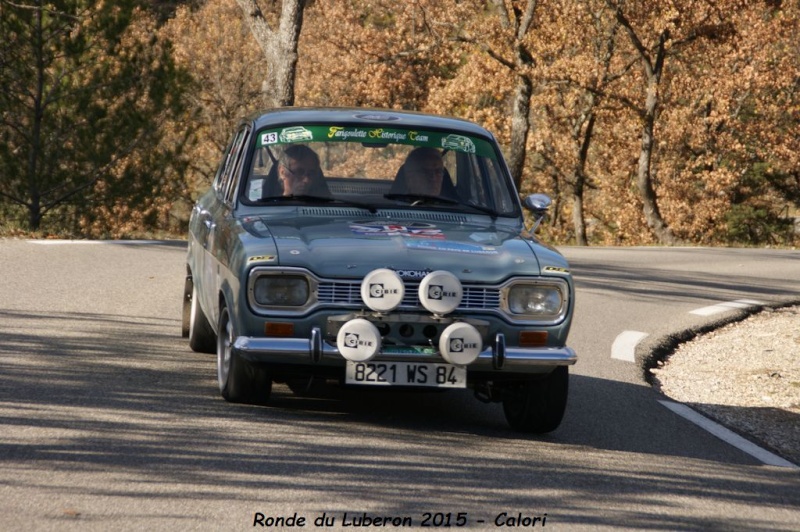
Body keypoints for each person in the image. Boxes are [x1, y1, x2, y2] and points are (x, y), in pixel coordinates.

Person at [390, 147, 456, 198]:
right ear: (410, 178)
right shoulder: (394, 210)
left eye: (438, 172)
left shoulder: (457, 211)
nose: (433, 178)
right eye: (426, 172)